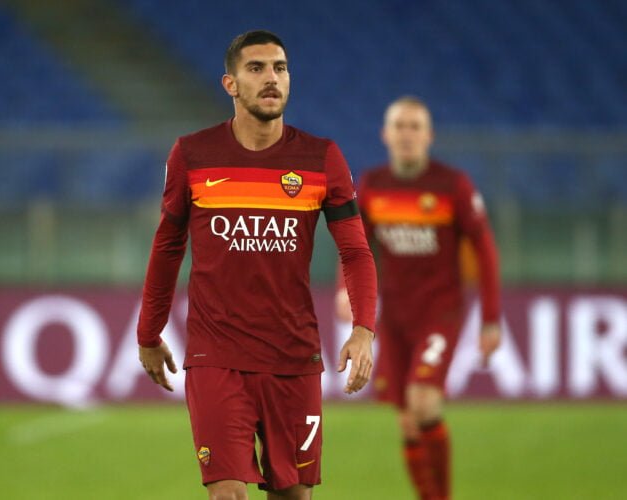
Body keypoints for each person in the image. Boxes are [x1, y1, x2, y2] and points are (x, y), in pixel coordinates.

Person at [137, 30, 377, 500]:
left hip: (294, 356)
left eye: (279, 68)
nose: (271, 78)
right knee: (227, 493)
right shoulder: (192, 155)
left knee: (293, 495)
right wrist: (149, 333)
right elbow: (167, 247)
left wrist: (364, 329)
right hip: (217, 356)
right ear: (230, 84)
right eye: (256, 68)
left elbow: (356, 251)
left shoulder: (321, 158)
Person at [336, 96, 502, 500]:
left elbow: (485, 250)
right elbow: (356, 247)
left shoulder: (452, 185)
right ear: (385, 134)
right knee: (408, 423)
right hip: (393, 317)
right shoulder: (373, 185)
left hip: (440, 312)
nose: (407, 134)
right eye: (400, 126)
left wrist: (491, 319)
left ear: (429, 136)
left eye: (415, 127)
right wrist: (345, 288)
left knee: (423, 402)